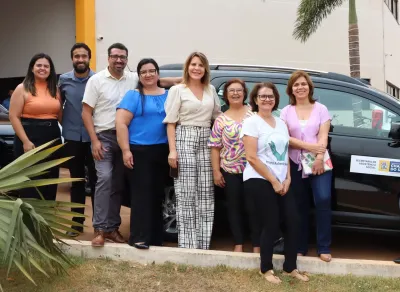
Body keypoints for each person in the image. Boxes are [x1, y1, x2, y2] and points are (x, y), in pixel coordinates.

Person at [83, 42, 181, 247]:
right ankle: (104, 229)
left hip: (155, 149)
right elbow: (91, 114)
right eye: (115, 56)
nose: (119, 60)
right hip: (111, 138)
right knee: (107, 180)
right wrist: (96, 141)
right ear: (108, 57)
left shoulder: (139, 81)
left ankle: (115, 228)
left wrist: (188, 80)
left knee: (125, 187)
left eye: (122, 57)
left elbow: (163, 81)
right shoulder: (102, 82)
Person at [242, 82, 309, 284]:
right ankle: (266, 269)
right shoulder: (252, 122)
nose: (267, 99)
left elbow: (285, 154)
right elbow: (252, 157)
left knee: (293, 221)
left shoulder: (280, 122)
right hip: (259, 178)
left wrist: (287, 178)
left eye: (270, 96)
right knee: (270, 223)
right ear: (255, 99)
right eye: (262, 96)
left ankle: (290, 267)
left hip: (281, 180)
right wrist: (273, 180)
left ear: (275, 99)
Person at [163, 52, 221, 250]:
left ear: (205, 69)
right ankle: (188, 245)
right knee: (186, 193)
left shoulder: (211, 89)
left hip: (207, 137)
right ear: (187, 67)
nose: (197, 68)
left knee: (206, 193)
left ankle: (203, 245)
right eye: (193, 64)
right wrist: (173, 151)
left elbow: (218, 117)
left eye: (201, 65)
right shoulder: (178, 90)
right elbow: (171, 122)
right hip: (184, 136)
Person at [116, 58, 169, 249]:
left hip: (162, 151)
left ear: (158, 74)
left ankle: (155, 237)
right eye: (144, 72)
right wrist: (125, 150)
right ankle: (139, 237)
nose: (148, 74)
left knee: (157, 195)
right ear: (139, 76)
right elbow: (121, 123)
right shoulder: (134, 95)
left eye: (152, 71)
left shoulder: (168, 95)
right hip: (139, 151)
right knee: (141, 196)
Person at [280, 70, 332, 262]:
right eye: (296, 85)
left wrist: (318, 156)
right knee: (299, 206)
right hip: (294, 163)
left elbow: (323, 135)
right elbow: (285, 138)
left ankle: (324, 247)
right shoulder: (286, 112)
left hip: (319, 163)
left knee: (323, 200)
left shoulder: (321, 109)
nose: (300, 87)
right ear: (291, 89)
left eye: (303, 84)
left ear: (309, 87)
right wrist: (309, 146)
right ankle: (300, 246)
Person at [208, 78, 260, 253]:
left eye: (239, 90)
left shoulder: (255, 114)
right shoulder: (220, 120)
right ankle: (238, 242)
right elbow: (215, 148)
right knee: (234, 207)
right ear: (226, 95)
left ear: (245, 93)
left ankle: (256, 244)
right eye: (232, 91)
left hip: (254, 170)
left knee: (254, 208)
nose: (236, 93)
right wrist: (216, 171)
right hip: (230, 171)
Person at [9, 53, 62, 200]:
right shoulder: (22, 88)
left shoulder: (55, 89)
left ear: (51, 70)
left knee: (50, 180)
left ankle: (46, 220)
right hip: (30, 137)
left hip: (52, 137)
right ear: (32, 68)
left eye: (46, 66)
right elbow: (14, 116)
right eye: (39, 65)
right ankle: (30, 222)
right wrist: (25, 141)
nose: (42, 68)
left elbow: (60, 116)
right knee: (30, 184)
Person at [58, 43, 97, 237]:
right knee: (77, 181)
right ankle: (76, 224)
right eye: (76, 56)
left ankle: (100, 225)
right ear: (72, 58)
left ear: (89, 58)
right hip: (72, 137)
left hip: (94, 138)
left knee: (98, 182)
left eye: (83, 56)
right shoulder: (63, 80)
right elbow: (57, 106)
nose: (80, 59)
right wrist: (65, 123)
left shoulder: (98, 79)